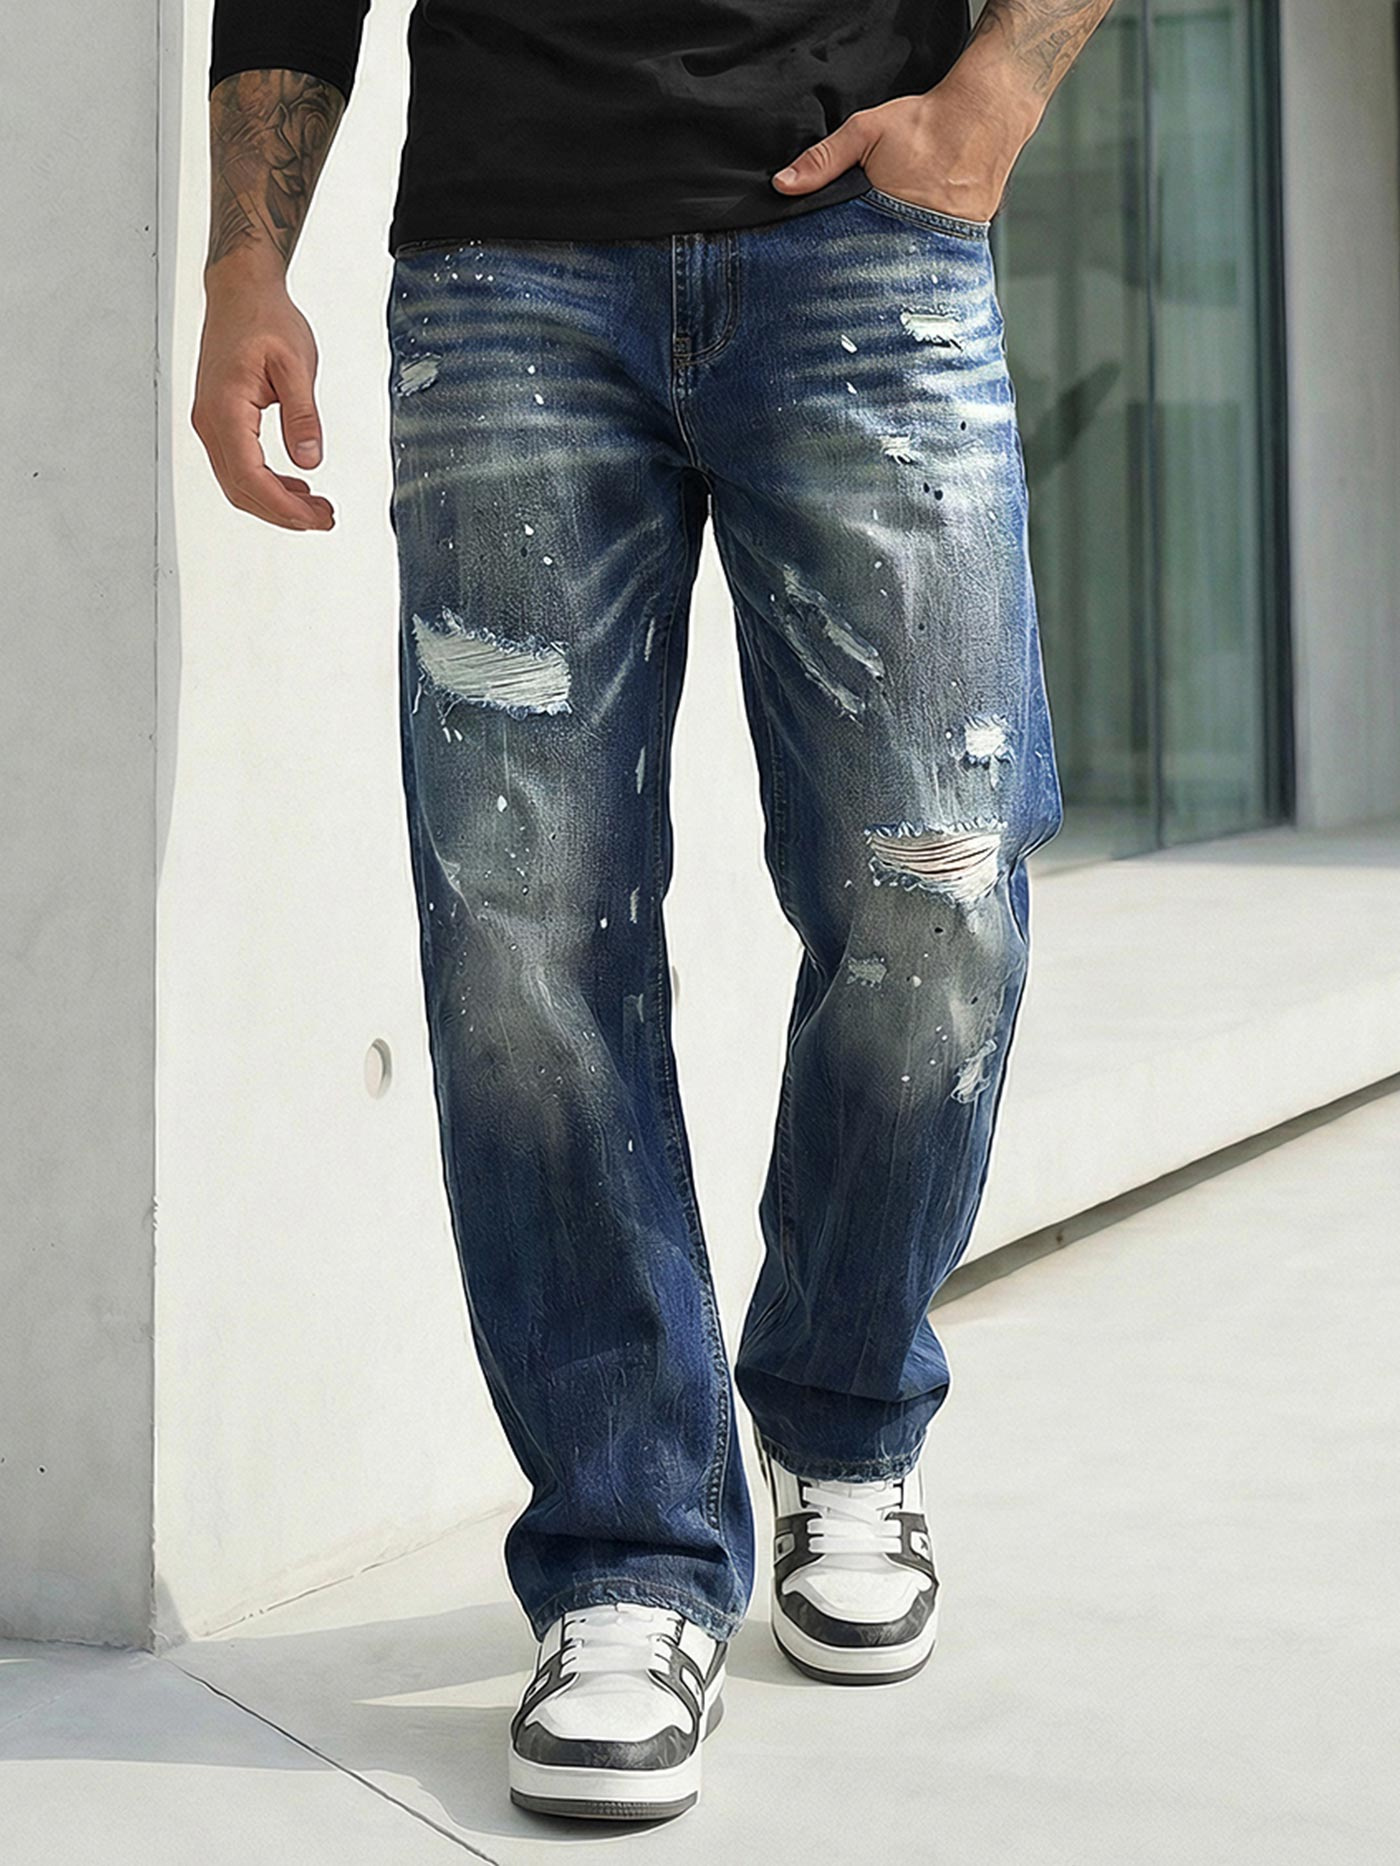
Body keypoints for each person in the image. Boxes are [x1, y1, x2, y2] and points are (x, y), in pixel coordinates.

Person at [193, 0, 1108, 1824]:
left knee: (934, 894)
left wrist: (998, 91)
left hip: (866, 252)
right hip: (506, 271)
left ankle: (844, 1415)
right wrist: (244, 260)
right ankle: (624, 1548)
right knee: (523, 946)